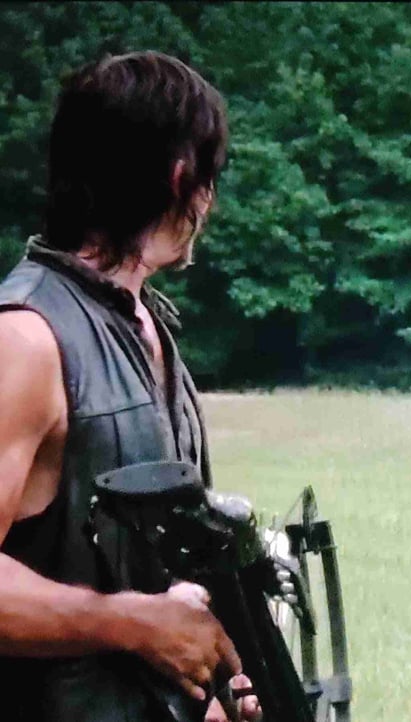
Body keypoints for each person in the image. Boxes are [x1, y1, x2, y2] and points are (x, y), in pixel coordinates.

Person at [0, 52, 259, 721]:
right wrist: (130, 625)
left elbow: (147, 567)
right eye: (208, 176)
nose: (208, 201)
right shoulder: (25, 339)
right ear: (180, 175)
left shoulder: (147, 325)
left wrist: (208, 684)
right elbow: (137, 616)